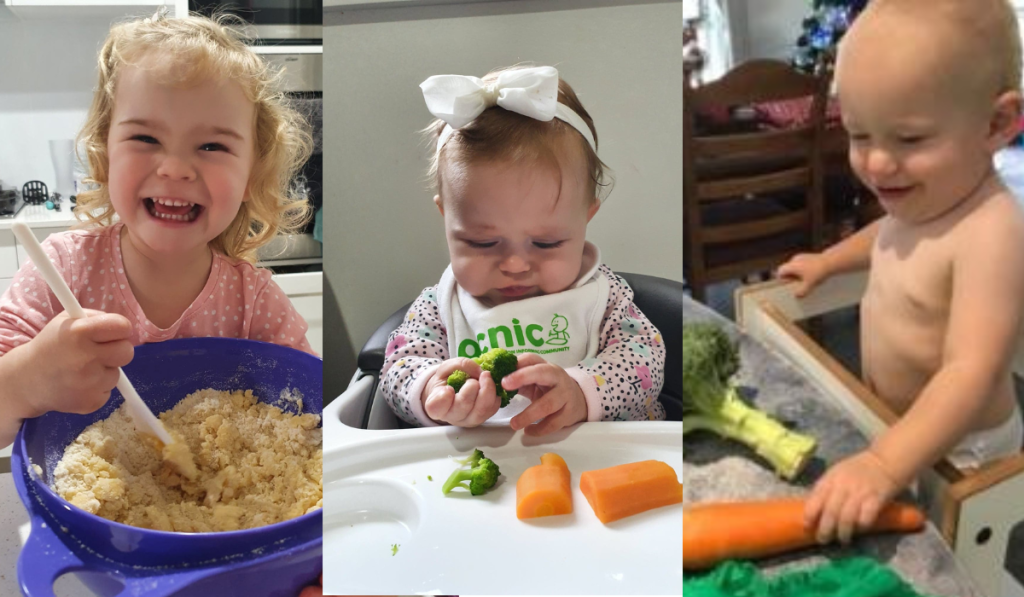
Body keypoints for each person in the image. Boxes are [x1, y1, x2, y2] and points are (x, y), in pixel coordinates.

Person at [0, 11, 317, 450]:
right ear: (105, 156)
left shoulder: (253, 301)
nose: (173, 169)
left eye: (212, 146)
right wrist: (25, 380)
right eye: (145, 139)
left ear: (251, 176)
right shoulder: (63, 269)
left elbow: (311, 417)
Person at [777, 0, 1024, 545]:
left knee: (952, 564)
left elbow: (972, 371)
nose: (877, 163)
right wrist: (829, 261)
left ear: (998, 123)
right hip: (901, 428)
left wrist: (885, 465)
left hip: (965, 451)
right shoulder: (928, 201)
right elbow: (889, 237)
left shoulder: (992, 230)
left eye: (909, 139)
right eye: (861, 136)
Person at [379, 65, 666, 435]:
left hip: (603, 470)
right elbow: (396, 370)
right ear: (445, 218)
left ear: (586, 218)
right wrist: (431, 391)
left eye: (546, 243)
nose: (514, 264)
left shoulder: (604, 298)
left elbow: (645, 363)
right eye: (483, 243)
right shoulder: (440, 306)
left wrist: (580, 392)